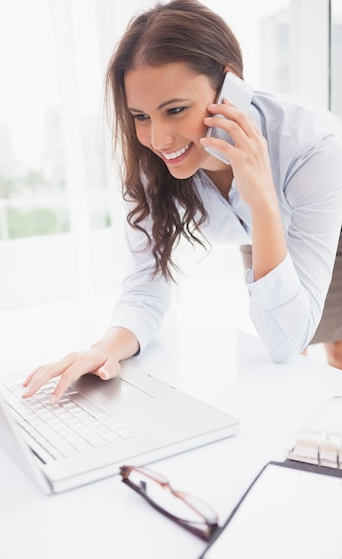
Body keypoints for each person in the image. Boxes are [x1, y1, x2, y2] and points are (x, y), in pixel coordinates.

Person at [23, 0, 342, 403]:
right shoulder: (150, 164)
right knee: (284, 358)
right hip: (264, 223)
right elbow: (145, 285)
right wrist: (106, 347)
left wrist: (262, 199)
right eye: (140, 116)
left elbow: (290, 331)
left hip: (330, 219)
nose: (158, 139)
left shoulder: (312, 147)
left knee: (333, 351)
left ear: (232, 89)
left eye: (175, 110)